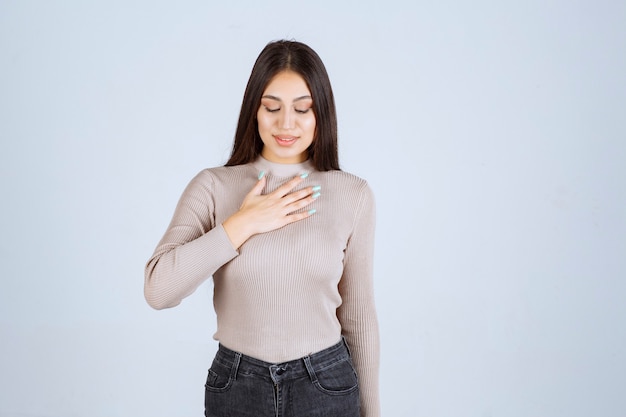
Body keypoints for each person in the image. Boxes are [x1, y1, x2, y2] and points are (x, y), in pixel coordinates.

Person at [144, 40, 380, 417]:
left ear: (322, 113)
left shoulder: (352, 194)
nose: (286, 123)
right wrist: (243, 223)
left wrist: (373, 412)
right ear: (254, 110)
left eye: (303, 109)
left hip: (325, 384)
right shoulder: (213, 187)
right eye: (272, 107)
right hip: (238, 386)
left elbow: (358, 314)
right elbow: (158, 290)